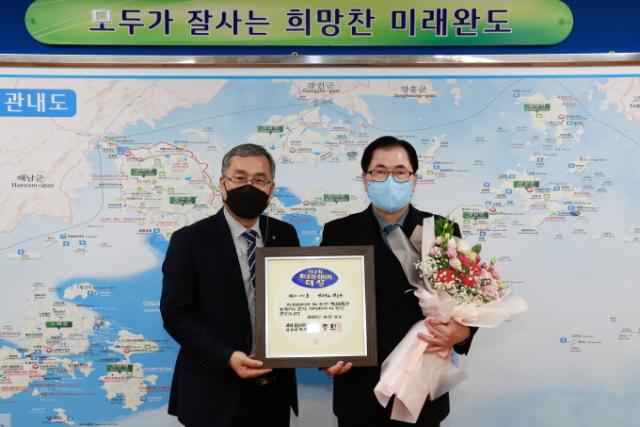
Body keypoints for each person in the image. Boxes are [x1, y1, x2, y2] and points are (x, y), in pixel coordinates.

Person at [321, 136, 476, 427]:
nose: (390, 179)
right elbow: (322, 303)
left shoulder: (440, 230)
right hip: (358, 389)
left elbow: (468, 297)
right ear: (365, 179)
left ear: (414, 180)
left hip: (421, 384)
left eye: (400, 172)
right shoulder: (339, 232)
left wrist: (463, 333)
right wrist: (324, 355)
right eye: (380, 171)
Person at [161, 144, 298, 427]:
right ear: (222, 184)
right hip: (212, 391)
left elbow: (298, 303)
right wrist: (227, 356)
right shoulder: (189, 240)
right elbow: (176, 315)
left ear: (271, 189)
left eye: (259, 179)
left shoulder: (285, 234)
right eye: (239, 178)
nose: (249, 186)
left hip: (273, 391)